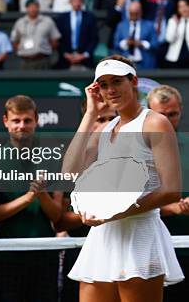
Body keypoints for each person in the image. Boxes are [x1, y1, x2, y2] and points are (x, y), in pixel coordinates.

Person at [66, 55, 184, 301]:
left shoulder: (155, 122)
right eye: (104, 84)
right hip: (103, 237)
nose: (110, 90)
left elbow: (171, 191)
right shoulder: (106, 128)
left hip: (140, 235)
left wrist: (114, 214)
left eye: (116, 82)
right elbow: (69, 171)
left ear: (134, 82)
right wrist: (90, 114)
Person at [0, 95, 63, 302]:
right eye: (16, 120)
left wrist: (42, 195)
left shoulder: (53, 157)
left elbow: (57, 216)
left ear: (36, 120)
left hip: (44, 255)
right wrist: (28, 198)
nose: (22, 126)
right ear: (6, 122)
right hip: (6, 256)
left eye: (27, 120)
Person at [57, 99, 118, 302]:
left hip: (126, 246)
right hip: (82, 251)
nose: (107, 124)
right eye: (101, 118)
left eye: (112, 118)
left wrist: (116, 212)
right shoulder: (73, 160)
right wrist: (94, 214)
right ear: (89, 120)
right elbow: (60, 221)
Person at [147, 85, 189, 302]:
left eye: (172, 114)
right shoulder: (137, 149)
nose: (167, 120)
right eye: (161, 115)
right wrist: (170, 208)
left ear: (181, 110)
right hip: (151, 251)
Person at [10, 0, 61, 69]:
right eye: (30, 7)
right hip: (25, 60)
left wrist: (46, 50)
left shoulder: (47, 21)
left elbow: (55, 40)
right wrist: (23, 50)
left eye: (35, 6)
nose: (33, 9)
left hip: (42, 59)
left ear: (38, 7)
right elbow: (14, 41)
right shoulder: (20, 22)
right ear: (26, 8)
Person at [55, 0, 99, 70]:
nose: (77, 3)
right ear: (70, 2)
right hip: (65, 60)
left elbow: (94, 39)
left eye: (79, 0)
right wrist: (66, 54)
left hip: (85, 60)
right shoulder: (62, 18)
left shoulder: (90, 17)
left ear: (82, 2)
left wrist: (84, 55)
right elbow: (58, 39)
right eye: (74, 0)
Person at [112, 1, 159, 69]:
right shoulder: (121, 25)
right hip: (126, 64)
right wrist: (126, 42)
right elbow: (115, 44)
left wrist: (142, 43)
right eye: (131, 13)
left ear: (140, 12)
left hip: (144, 63)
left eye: (135, 13)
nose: (133, 16)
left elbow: (155, 44)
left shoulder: (149, 25)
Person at [161, 0, 189, 69]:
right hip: (174, 58)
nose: (184, 9)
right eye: (180, 7)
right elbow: (169, 39)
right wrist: (176, 25)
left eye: (186, 6)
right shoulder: (173, 21)